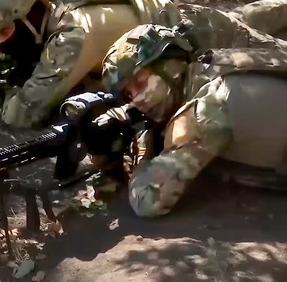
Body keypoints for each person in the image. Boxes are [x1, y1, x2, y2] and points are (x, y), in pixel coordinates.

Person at [0, 0, 287, 130]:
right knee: (244, 20)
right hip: (171, 21)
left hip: (190, 37)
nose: (1, 41)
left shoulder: (71, 37)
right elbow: (11, 49)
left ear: (28, 16)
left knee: (272, 52)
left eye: (5, 31)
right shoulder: (52, 11)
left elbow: (22, 114)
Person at [96, 20, 287, 218]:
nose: (137, 100)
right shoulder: (214, 67)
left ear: (171, 64)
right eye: (129, 94)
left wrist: (142, 155)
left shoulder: (207, 109)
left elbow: (148, 201)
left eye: (141, 82)